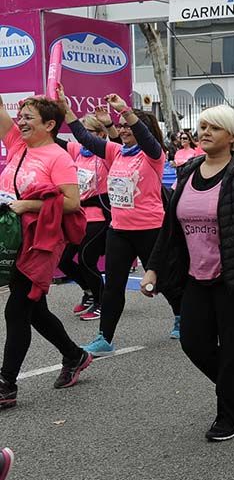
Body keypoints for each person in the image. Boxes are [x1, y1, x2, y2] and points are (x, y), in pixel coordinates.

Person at [142, 105, 234, 441]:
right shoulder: (189, 171)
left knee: (233, 347)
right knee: (193, 342)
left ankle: (232, 415)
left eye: (214, 128)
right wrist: (153, 269)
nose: (205, 132)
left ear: (232, 136)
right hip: (196, 275)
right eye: (203, 126)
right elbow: (170, 228)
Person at [61, 90, 185, 354]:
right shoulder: (115, 152)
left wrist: (125, 111)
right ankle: (104, 338)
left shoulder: (154, 155)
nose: (123, 129)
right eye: (121, 126)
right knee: (113, 287)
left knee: (164, 280)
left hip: (151, 229)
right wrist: (65, 109)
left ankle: (180, 316)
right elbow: (84, 136)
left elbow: (146, 139)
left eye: (128, 126)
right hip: (118, 230)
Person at [0, 93, 93, 410]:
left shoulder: (58, 157)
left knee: (17, 309)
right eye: (21, 117)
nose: (21, 122)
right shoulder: (17, 143)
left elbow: (72, 202)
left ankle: (6, 385)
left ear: (50, 124)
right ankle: (74, 355)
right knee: (34, 309)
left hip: (41, 241)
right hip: (13, 238)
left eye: (29, 118)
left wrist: (27, 205)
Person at [60, 111, 112, 322]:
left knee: (86, 260)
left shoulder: (107, 152)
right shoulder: (77, 150)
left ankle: (102, 302)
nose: (83, 137)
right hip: (77, 215)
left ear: (100, 134)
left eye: (88, 132)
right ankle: (89, 292)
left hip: (98, 216)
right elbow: (53, 140)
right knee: (63, 260)